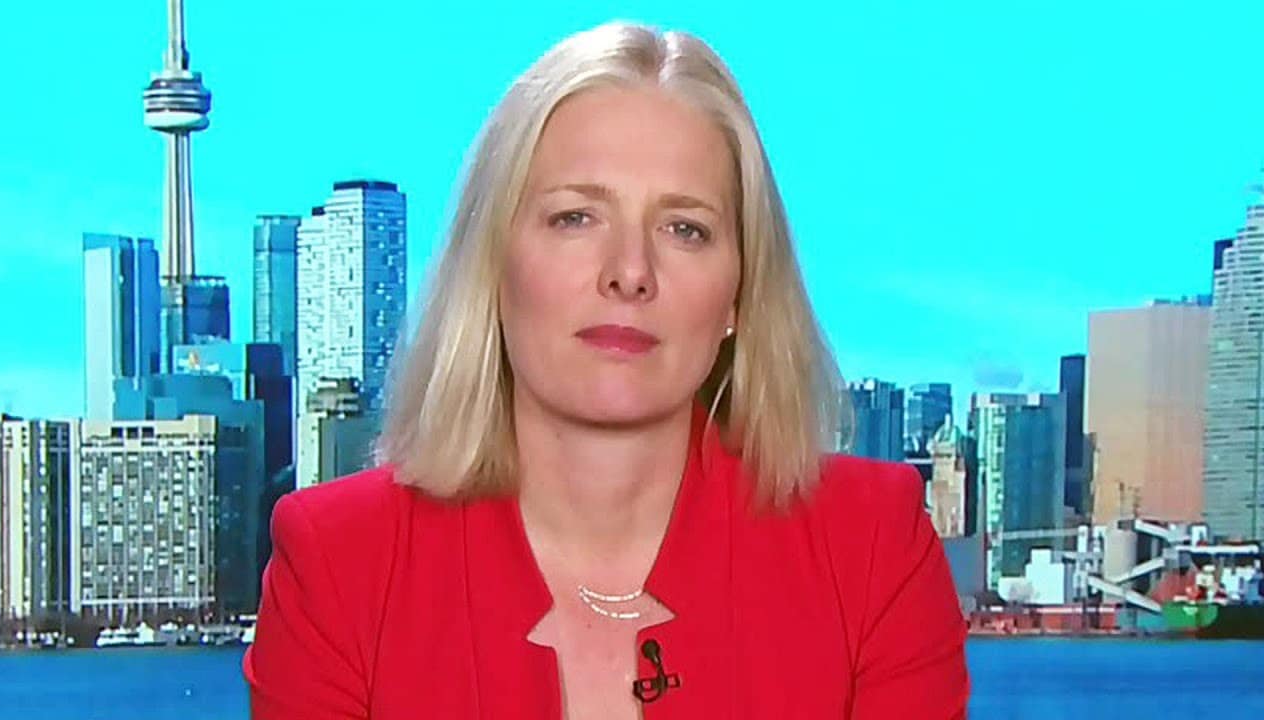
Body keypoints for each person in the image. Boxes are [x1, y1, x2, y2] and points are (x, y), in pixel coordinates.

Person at [243, 20, 969, 719]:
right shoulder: (340, 567)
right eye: (575, 218)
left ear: (739, 295)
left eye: (685, 229)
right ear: (493, 266)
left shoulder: (870, 551)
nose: (630, 272)